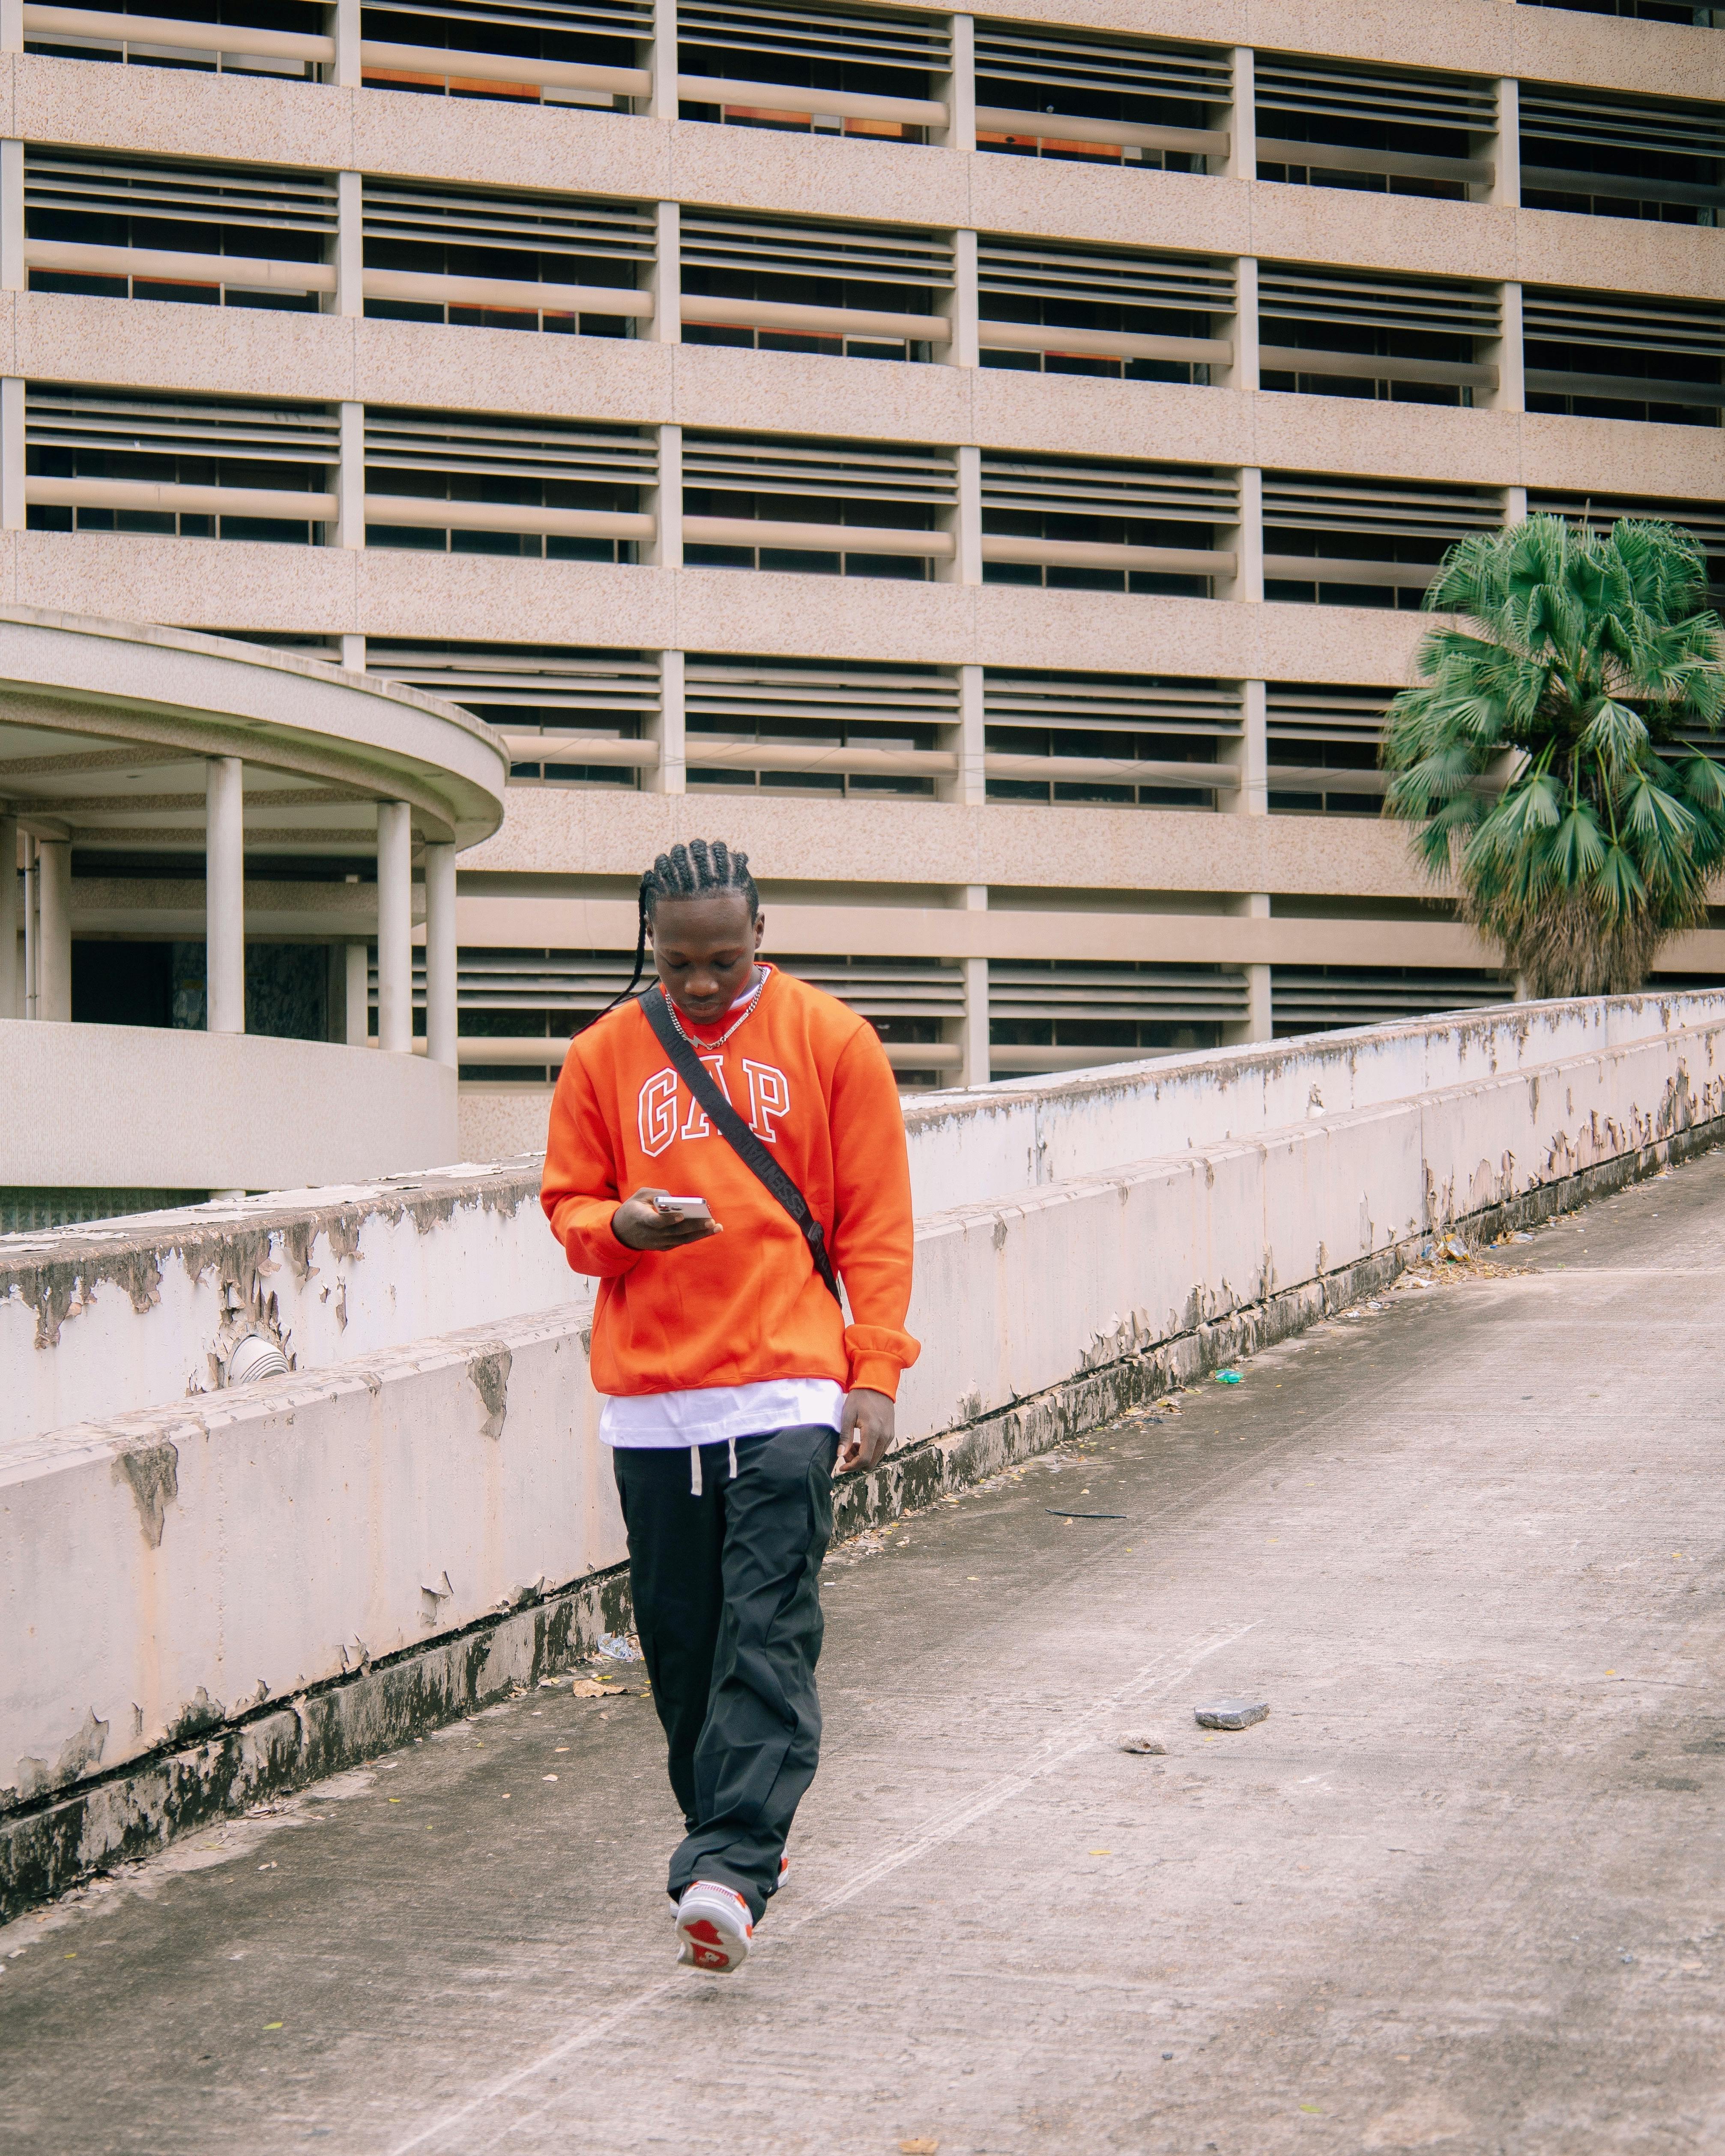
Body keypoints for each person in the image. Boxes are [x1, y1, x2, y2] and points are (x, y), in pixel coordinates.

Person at [540, 837, 918, 1975]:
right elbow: (568, 1206)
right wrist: (621, 1230)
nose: (700, 984)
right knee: (682, 1645)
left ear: (762, 932)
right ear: (648, 943)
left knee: (767, 1625)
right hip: (654, 1403)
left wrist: (874, 1370)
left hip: (789, 1383)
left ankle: (729, 1866)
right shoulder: (604, 1056)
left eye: (720, 958)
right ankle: (732, 1828)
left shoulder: (832, 1041)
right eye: (677, 962)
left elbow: (876, 1227)